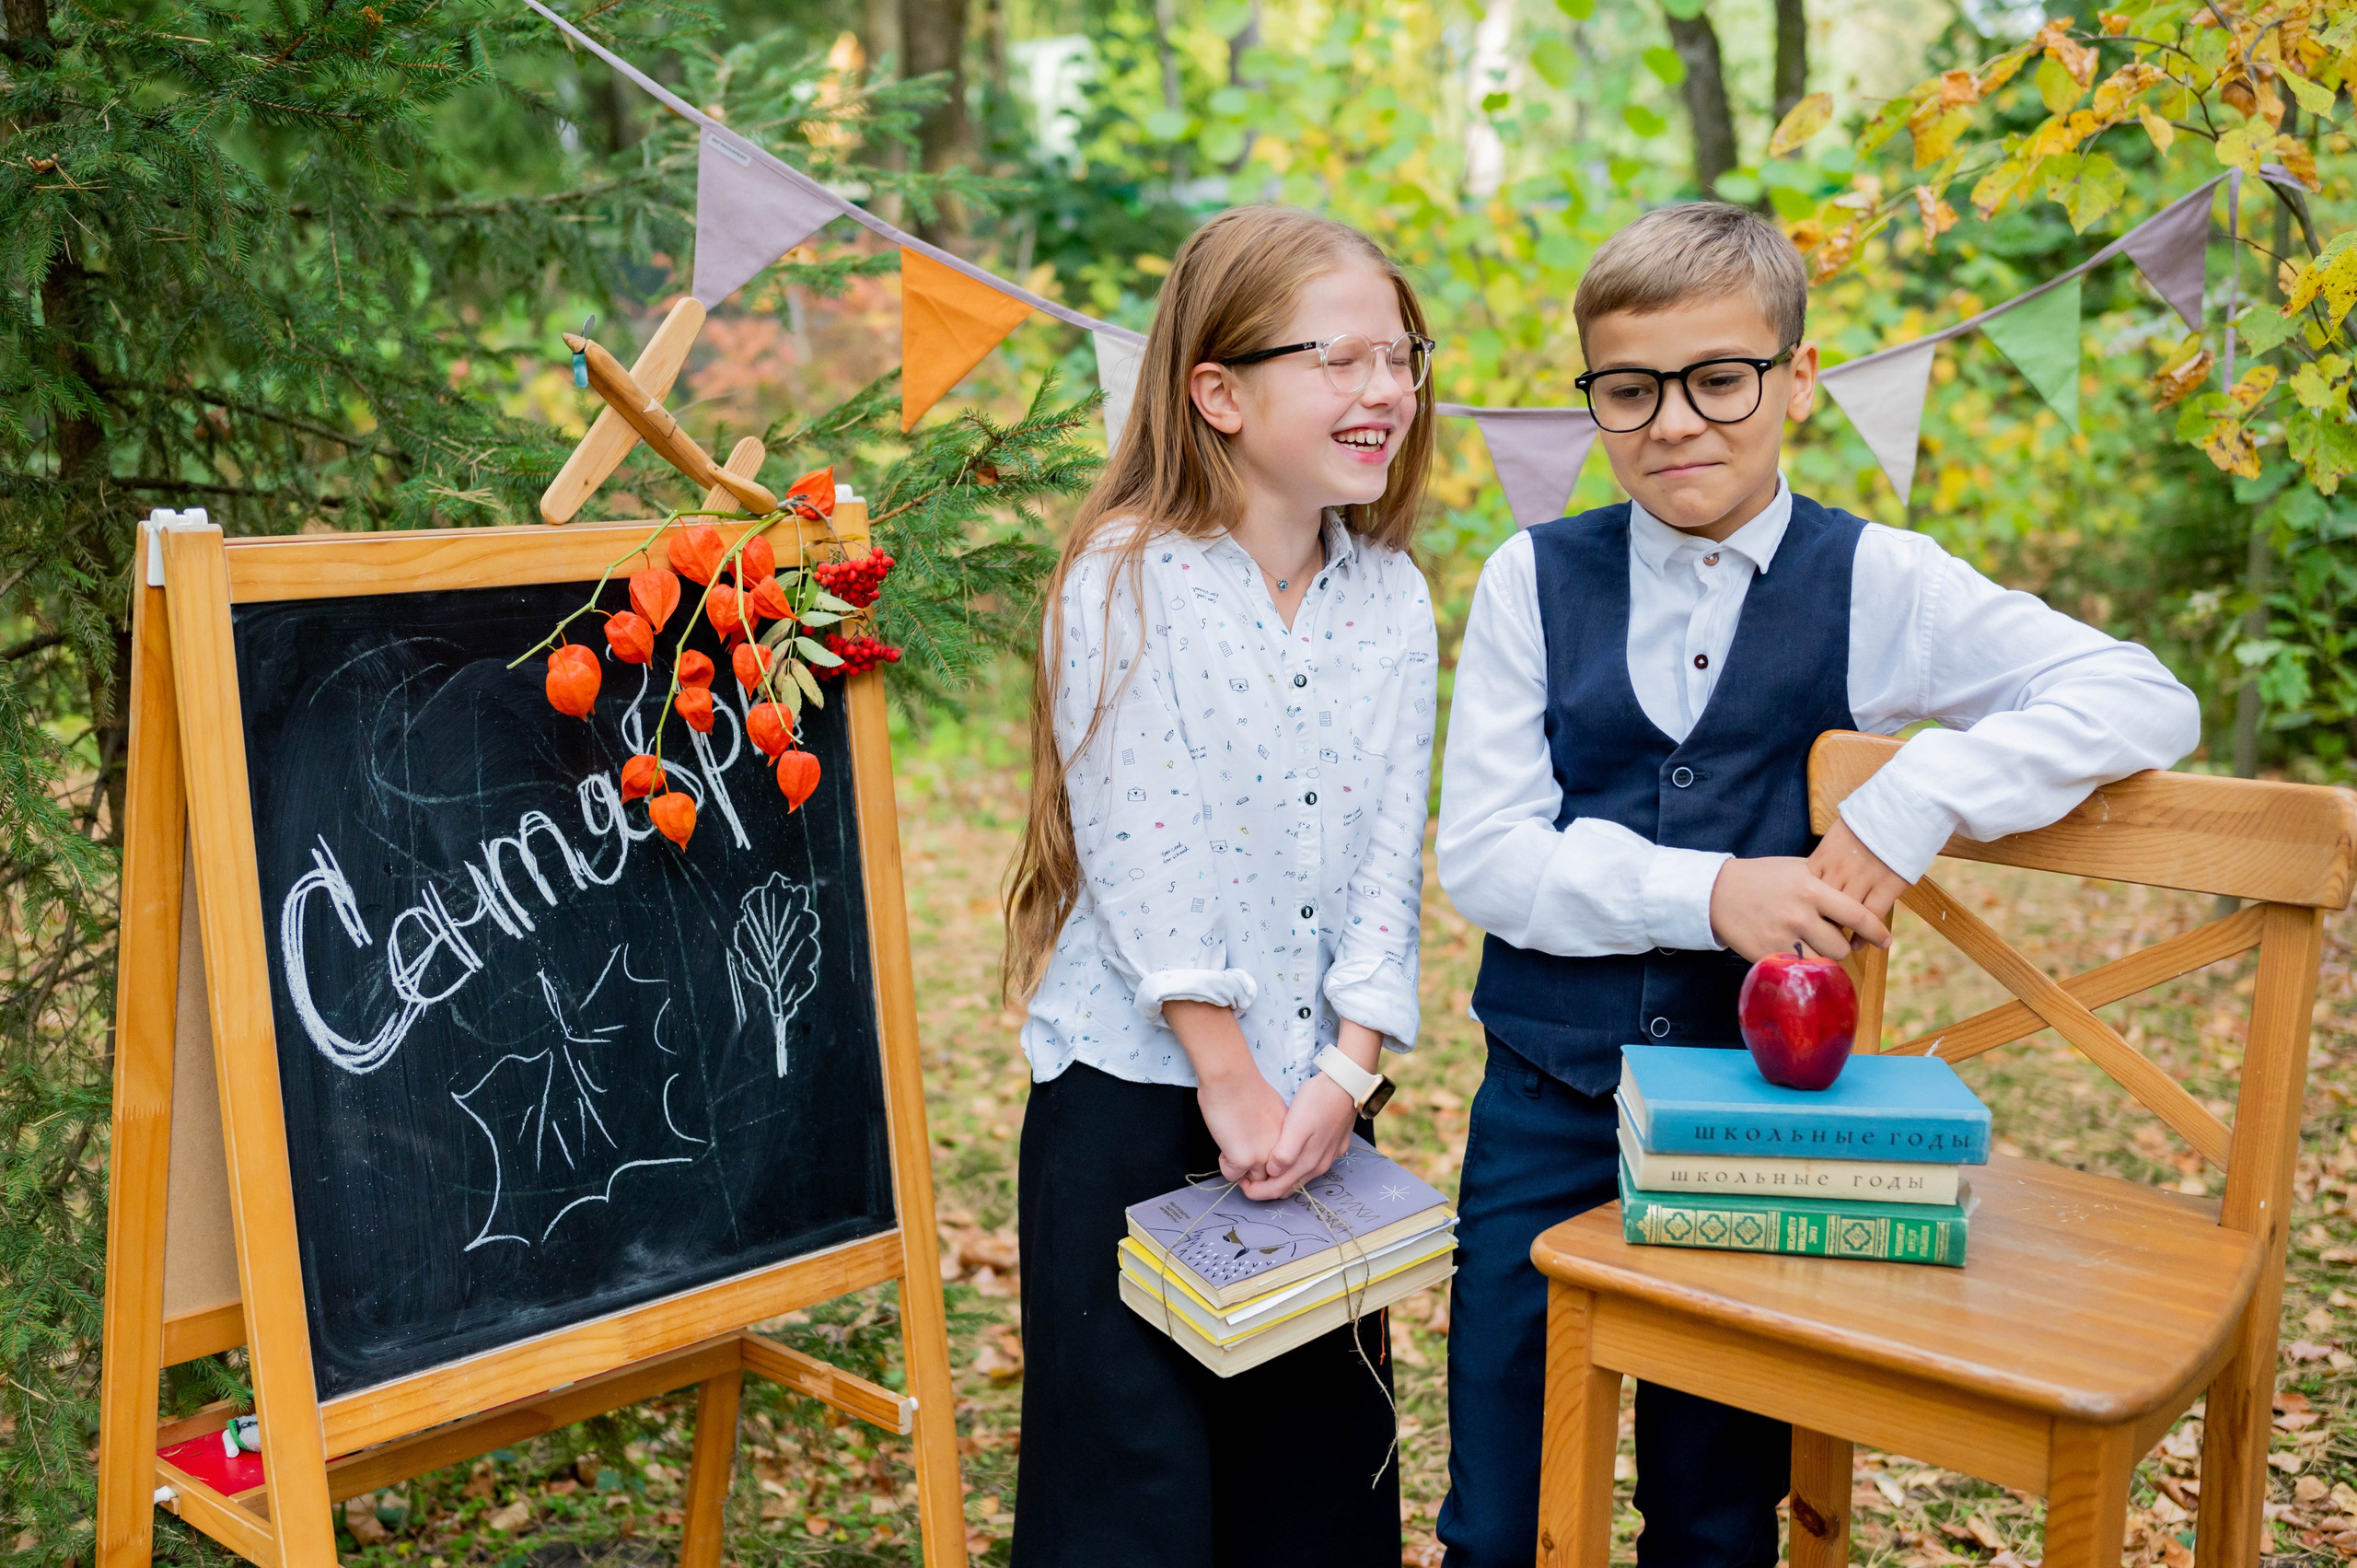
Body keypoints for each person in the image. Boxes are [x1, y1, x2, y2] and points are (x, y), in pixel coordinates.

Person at [1432, 201, 2201, 1567]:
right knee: (1495, 1516)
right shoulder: (1530, 577)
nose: (1675, 422)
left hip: (1759, 1119)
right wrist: (1712, 892)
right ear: (1593, 397)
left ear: (1795, 377)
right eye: (1629, 388)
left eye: (1719, 379)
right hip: (1544, 1102)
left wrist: (1922, 792)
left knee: (1718, 1517)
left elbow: (2138, 694)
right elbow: (1487, 853)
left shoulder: (1883, 582)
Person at [1001, 204, 1442, 1568]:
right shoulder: (1126, 578)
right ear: (1220, 391)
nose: (1386, 392)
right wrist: (1232, 1078)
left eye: (1404, 357)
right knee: (1134, 1494)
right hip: (1136, 1105)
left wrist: (1344, 1077)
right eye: (1344, 360)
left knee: (1312, 1486)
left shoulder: (1396, 601)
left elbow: (1387, 867)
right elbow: (1145, 848)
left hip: (1314, 1119)